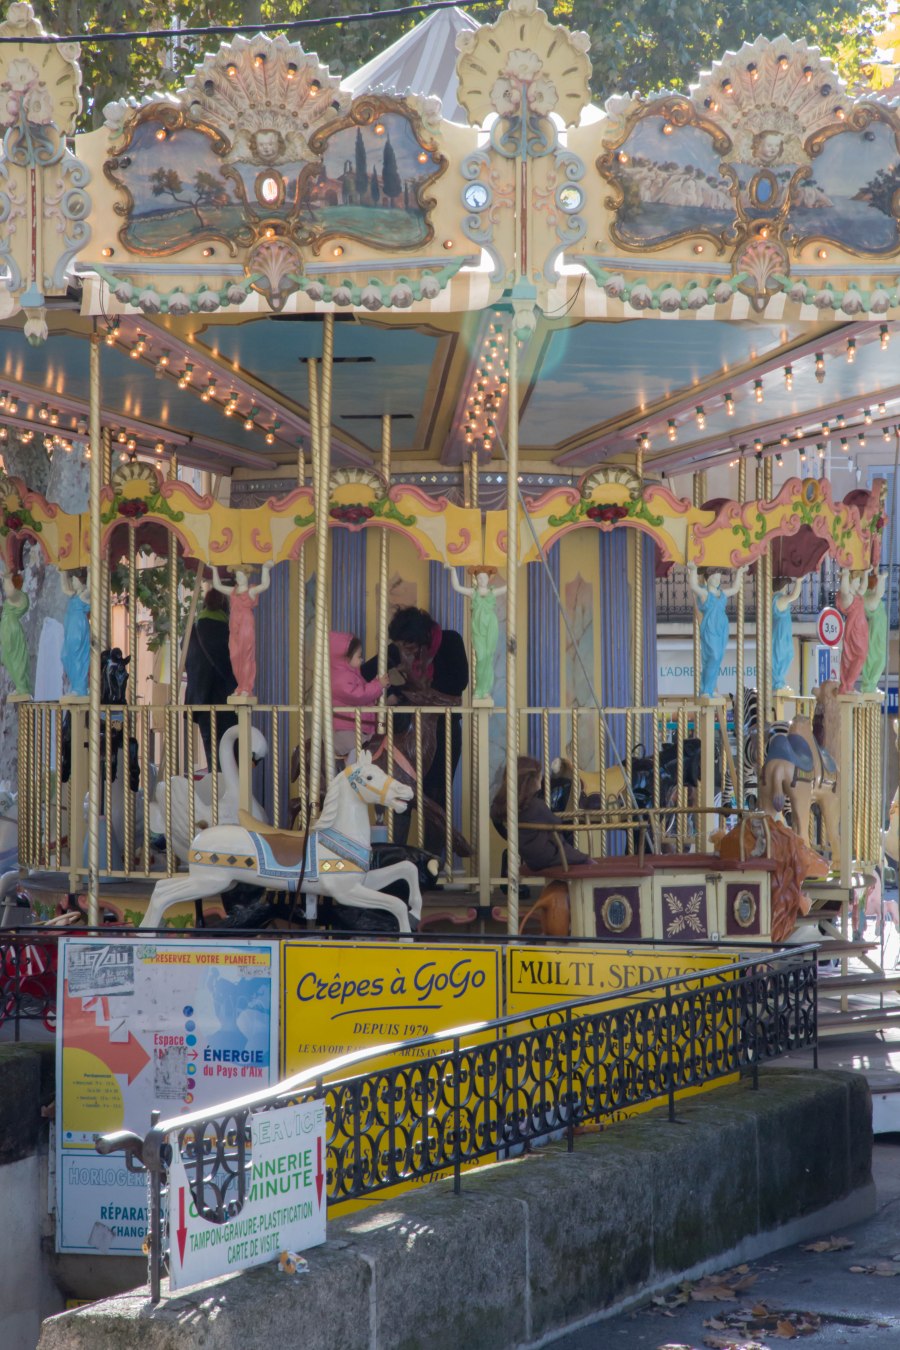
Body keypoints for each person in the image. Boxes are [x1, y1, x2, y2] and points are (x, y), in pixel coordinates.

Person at [360, 605, 468, 842]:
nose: (404, 651)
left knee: (437, 796)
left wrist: (410, 690)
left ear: (422, 639)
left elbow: (459, 682)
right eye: (400, 646)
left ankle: (432, 860)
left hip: (444, 730)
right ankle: (396, 854)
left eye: (408, 646)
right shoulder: (398, 649)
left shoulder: (450, 641)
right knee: (401, 793)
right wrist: (393, 690)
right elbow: (365, 673)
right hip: (407, 733)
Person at [490, 755, 590, 873]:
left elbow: (497, 821)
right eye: (539, 776)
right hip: (549, 857)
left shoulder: (505, 806)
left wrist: (514, 839)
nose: (541, 779)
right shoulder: (536, 806)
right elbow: (558, 827)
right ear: (531, 780)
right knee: (587, 859)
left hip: (529, 856)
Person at [184, 586, 237, 770]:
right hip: (228, 704)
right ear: (225, 607)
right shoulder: (229, 632)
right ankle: (231, 786)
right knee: (232, 755)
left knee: (212, 754)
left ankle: (217, 784)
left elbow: (187, 664)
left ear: (205, 605)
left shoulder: (192, 632)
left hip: (202, 704)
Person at [210, 562, 273, 698]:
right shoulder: (233, 591)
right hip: (234, 626)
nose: (239, 579)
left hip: (246, 625)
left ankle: (246, 687)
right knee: (234, 656)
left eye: (241, 576)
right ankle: (240, 686)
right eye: (237, 577)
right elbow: (217, 585)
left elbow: (264, 585)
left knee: (246, 656)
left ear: (246, 576)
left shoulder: (250, 591)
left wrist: (265, 569)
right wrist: (214, 569)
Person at [447, 565, 506, 700]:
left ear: (488, 579)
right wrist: (453, 570)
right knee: (481, 658)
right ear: (476, 579)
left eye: (484, 578)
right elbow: (457, 587)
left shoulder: (492, 592)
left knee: (488, 658)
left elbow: (508, 587)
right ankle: (479, 688)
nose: (482, 580)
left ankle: (485, 690)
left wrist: (514, 566)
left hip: (490, 627)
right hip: (478, 628)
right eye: (479, 578)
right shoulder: (473, 592)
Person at [687, 564, 746, 698]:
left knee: (718, 658)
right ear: (708, 579)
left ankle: (710, 688)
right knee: (713, 656)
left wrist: (740, 572)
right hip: (710, 628)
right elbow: (694, 586)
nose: (717, 580)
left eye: (719, 578)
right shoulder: (705, 594)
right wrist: (693, 570)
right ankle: (705, 689)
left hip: (722, 628)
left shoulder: (722, 594)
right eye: (714, 577)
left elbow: (736, 588)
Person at [329, 630, 390, 759]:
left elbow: (364, 691)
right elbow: (358, 695)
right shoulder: (340, 679)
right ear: (345, 658)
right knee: (357, 753)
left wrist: (378, 684)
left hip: (361, 725)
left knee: (378, 741)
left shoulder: (351, 674)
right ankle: (351, 770)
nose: (361, 660)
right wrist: (378, 685)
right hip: (348, 729)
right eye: (359, 656)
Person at [836, 567, 868, 694]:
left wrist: (866, 574)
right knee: (858, 656)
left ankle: (847, 684)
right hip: (855, 630)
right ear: (851, 582)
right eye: (857, 581)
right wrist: (845, 576)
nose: (859, 584)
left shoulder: (857, 595)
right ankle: (848, 685)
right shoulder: (849, 598)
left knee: (855, 657)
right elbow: (844, 592)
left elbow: (863, 588)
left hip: (861, 631)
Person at [0, 568, 31, 696]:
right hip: (6, 630)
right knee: (8, 659)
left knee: (16, 658)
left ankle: (22, 687)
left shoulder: (19, 596)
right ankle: (20, 686)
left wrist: (7, 578)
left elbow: (10, 592)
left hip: (11, 630)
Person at [60, 569, 90, 697]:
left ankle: (79, 688)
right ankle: (75, 685)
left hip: (78, 626)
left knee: (77, 654)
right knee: (65, 655)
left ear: (81, 582)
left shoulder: (84, 595)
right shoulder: (74, 595)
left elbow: (91, 588)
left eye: (74, 580)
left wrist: (90, 571)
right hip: (71, 626)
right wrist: (62, 572)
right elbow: (65, 588)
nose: (72, 582)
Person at [771, 577, 803, 692]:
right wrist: (798, 582)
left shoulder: (774, 599)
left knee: (784, 654)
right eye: (785, 586)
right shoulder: (780, 599)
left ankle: (778, 681)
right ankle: (778, 682)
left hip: (781, 630)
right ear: (783, 587)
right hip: (781, 632)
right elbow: (794, 596)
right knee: (782, 655)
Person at [861, 569, 888, 694]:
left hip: (877, 634)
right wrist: (882, 579)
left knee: (877, 660)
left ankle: (870, 685)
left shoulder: (866, 597)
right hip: (877, 635)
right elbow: (879, 594)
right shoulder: (870, 599)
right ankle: (869, 685)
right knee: (879, 660)